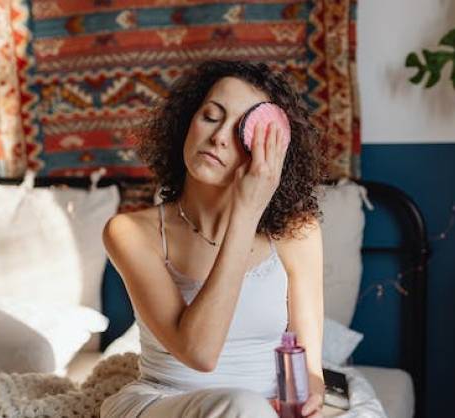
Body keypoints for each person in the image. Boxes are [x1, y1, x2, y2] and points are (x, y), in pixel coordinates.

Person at [101, 60, 326, 418]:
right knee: (241, 406)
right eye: (210, 116)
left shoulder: (298, 233)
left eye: (241, 131)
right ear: (186, 123)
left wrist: (307, 402)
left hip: (266, 412)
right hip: (164, 403)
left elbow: (310, 371)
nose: (219, 136)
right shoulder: (131, 232)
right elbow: (200, 353)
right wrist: (246, 213)